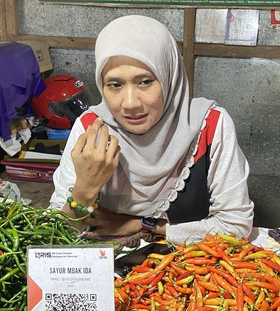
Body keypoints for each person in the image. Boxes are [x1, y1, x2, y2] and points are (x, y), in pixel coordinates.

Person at [49, 15, 254, 244]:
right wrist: (83, 191)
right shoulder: (91, 130)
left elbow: (235, 226)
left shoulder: (210, 126)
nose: (130, 103)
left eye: (144, 81)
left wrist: (140, 224)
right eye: (115, 85)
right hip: (111, 265)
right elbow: (55, 236)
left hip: (190, 269)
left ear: (169, 77)